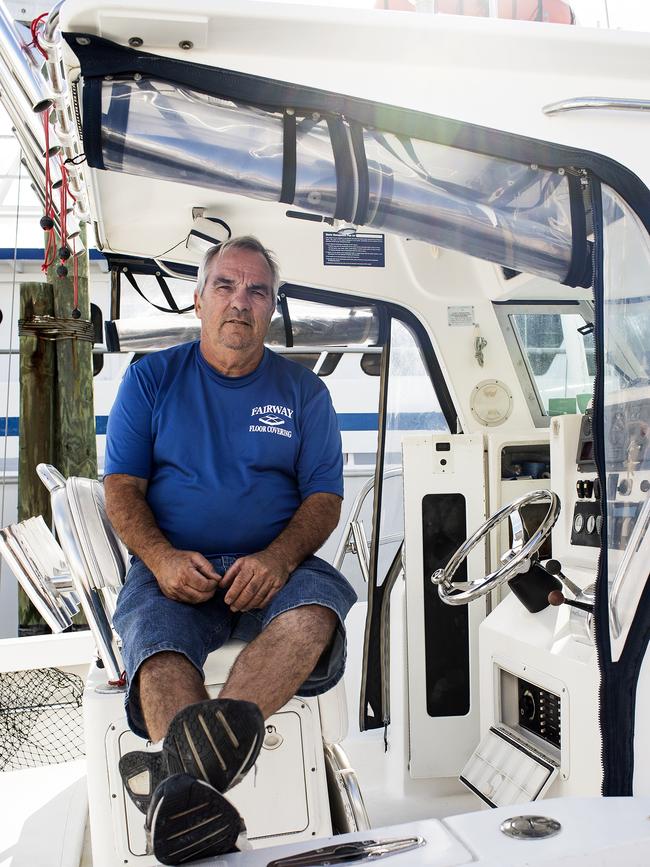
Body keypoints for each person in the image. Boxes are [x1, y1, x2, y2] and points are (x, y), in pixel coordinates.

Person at [104, 236, 357, 865]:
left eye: (257, 290)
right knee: (157, 652)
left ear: (273, 307)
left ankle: (180, 787)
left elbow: (324, 498)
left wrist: (276, 560)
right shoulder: (150, 379)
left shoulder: (305, 393)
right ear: (198, 301)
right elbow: (121, 489)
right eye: (225, 286)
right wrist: (161, 559)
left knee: (314, 614)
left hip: (276, 567)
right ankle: (193, 784)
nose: (239, 302)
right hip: (174, 569)